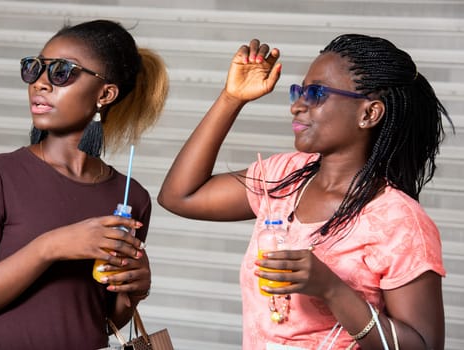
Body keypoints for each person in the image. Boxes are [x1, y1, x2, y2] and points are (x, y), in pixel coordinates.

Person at [158, 34, 452, 349]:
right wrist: (232, 98)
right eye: (299, 92)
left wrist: (332, 289)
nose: (297, 106)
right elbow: (180, 196)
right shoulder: (283, 178)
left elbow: (423, 345)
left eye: (316, 93)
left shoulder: (399, 221)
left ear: (369, 113)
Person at [0, 19, 168, 349]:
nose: (40, 84)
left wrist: (134, 290)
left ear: (105, 93)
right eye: (35, 69)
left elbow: (102, 319)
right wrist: (51, 247)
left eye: (62, 71)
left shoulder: (132, 196)